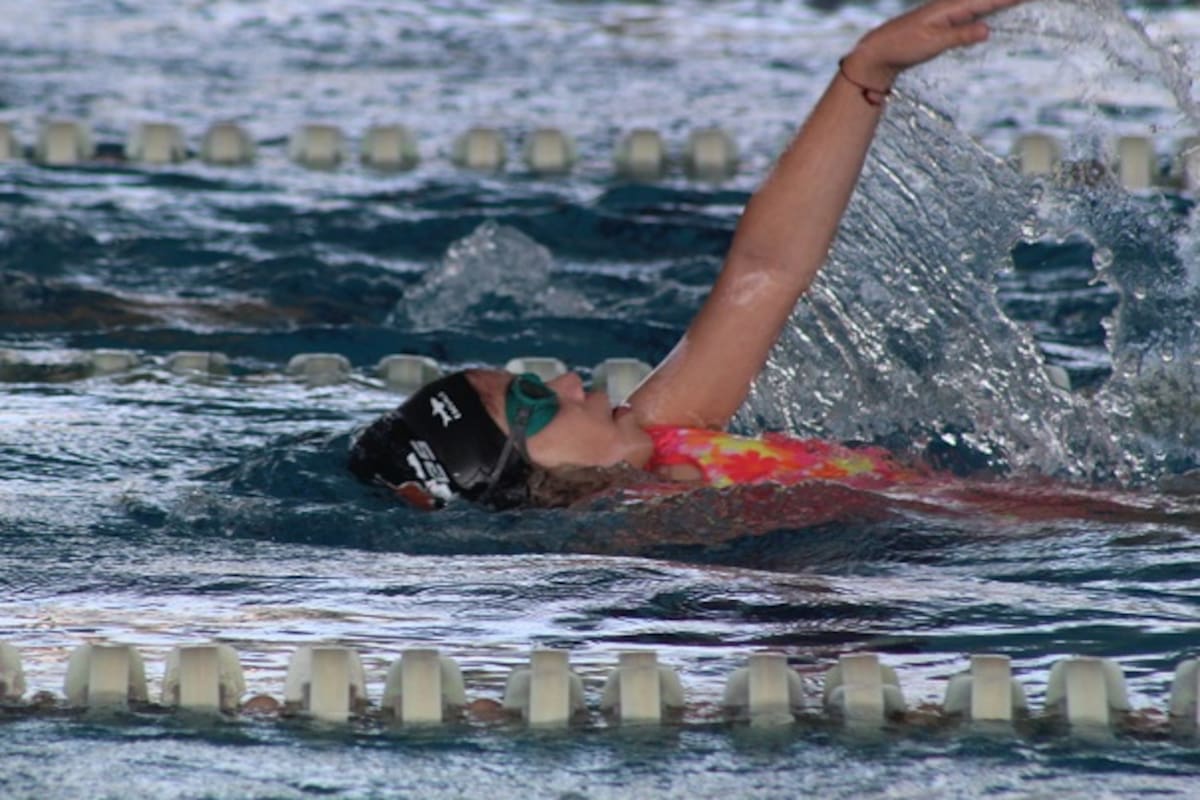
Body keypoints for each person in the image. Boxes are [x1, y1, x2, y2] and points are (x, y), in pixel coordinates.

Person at [349, 0, 1031, 511]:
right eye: (532, 403)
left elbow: (765, 273)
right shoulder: (645, 553)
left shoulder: (660, 442)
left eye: (533, 379)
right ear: (511, 482)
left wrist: (868, 68)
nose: (567, 382)